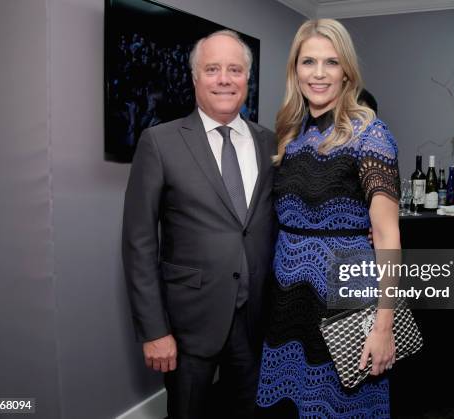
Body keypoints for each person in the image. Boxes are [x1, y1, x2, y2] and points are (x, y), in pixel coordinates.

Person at [122, 30, 276, 419]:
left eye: (235, 69)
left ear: (247, 78)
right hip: (188, 322)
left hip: (254, 319)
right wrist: (155, 331)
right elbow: (139, 243)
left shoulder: (270, 144)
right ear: (195, 78)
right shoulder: (159, 142)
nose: (224, 79)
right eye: (212, 69)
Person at [255, 19, 401, 418]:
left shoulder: (370, 135)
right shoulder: (290, 133)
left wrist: (383, 327)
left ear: (346, 72)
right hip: (290, 296)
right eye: (308, 62)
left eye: (331, 62)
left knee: (342, 406)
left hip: (345, 299)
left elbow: (388, 237)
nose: (318, 73)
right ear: (295, 70)